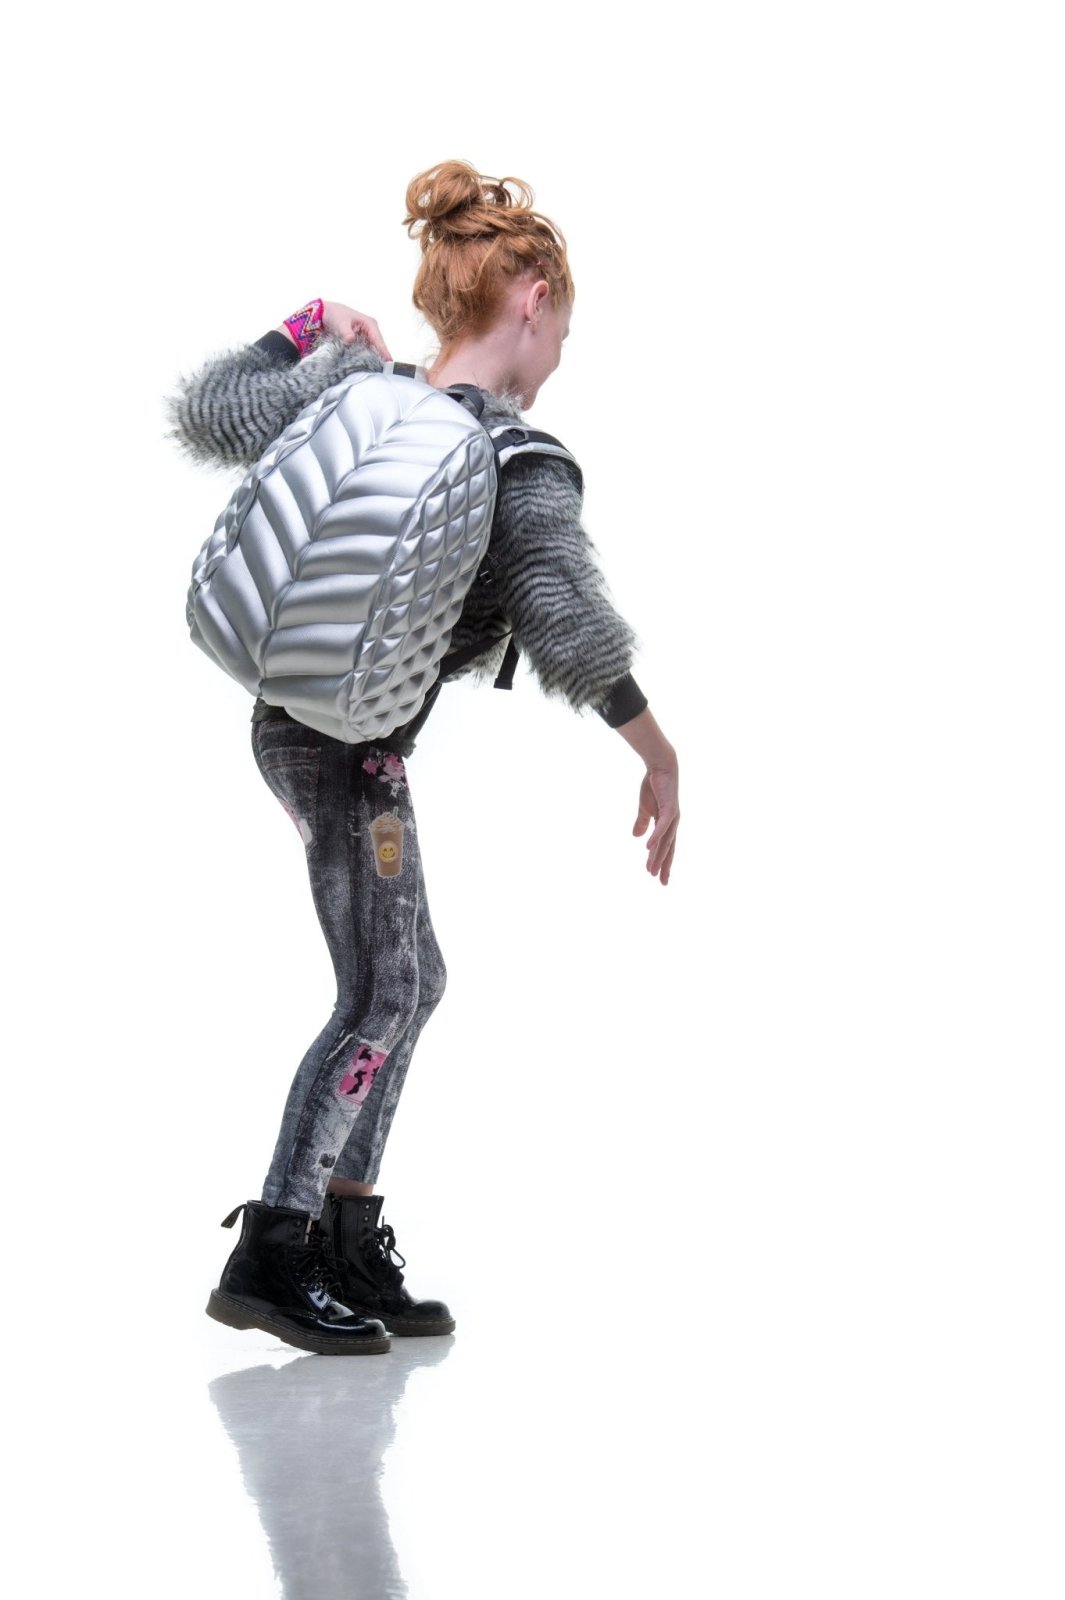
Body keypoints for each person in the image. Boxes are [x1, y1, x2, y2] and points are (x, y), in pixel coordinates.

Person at [167, 160, 681, 1357]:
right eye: (563, 331)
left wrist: (306, 324)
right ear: (533, 300)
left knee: (410, 977)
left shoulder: (356, 385)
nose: (558, 358)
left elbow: (208, 416)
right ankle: (276, 1248)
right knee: (383, 991)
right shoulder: (517, 459)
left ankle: (347, 1235)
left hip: (290, 723)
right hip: (354, 752)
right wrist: (657, 750)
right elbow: (564, 621)